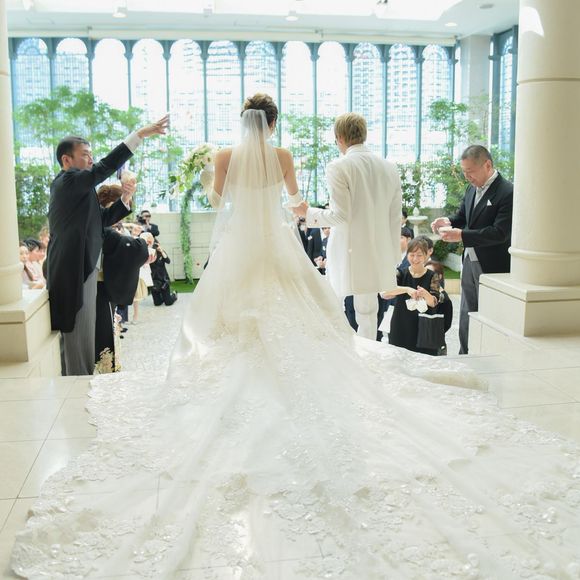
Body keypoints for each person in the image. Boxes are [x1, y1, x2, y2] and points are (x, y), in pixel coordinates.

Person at [13, 97, 580, 579]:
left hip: (238, 247)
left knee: (224, 323)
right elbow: (292, 202)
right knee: (303, 309)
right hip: (278, 243)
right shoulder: (283, 156)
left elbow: (217, 201)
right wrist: (281, 208)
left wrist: (224, 191)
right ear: (275, 125)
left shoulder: (224, 156)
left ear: (243, 122)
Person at [46, 116, 169, 375]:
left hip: (83, 265)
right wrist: (139, 135)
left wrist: (126, 198)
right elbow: (105, 166)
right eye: (85, 155)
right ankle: (77, 384)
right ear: (66, 160)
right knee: (77, 333)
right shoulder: (68, 182)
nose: (91, 160)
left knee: (85, 332)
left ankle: (81, 380)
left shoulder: (78, 189)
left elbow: (102, 220)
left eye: (91, 155)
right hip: (73, 268)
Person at [294, 112, 402, 340]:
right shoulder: (389, 167)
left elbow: (340, 215)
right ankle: (368, 354)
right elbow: (395, 218)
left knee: (333, 304)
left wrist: (308, 213)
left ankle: (339, 353)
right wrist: (392, 256)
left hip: (347, 249)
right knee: (368, 311)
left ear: (340, 137)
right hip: (377, 250)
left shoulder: (339, 166)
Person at [431, 145, 513, 354]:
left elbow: (499, 233)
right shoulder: (472, 188)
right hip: (469, 259)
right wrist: (447, 221)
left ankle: (488, 355)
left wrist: (462, 236)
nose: (467, 177)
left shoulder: (507, 192)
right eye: (464, 172)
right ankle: (465, 353)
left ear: (487, 165)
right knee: (467, 310)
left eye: (470, 172)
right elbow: (463, 216)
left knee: (490, 313)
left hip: (493, 264)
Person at [95, 184, 149, 372]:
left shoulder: (103, 228)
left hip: (100, 286)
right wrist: (144, 243)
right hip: (99, 288)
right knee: (103, 332)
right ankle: (104, 369)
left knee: (108, 329)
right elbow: (132, 250)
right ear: (112, 206)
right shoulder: (105, 230)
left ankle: (107, 366)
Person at [384, 237, 444, 355]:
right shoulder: (401, 273)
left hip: (424, 327)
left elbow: (433, 302)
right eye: (412, 255)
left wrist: (425, 294)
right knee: (399, 356)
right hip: (401, 324)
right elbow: (386, 292)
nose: (415, 259)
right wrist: (407, 289)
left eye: (419, 255)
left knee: (424, 359)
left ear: (426, 255)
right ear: (407, 255)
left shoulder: (433, 276)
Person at [150, 240, 178, 306]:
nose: (155, 246)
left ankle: (174, 294)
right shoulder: (148, 254)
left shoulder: (161, 253)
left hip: (163, 280)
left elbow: (168, 261)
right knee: (157, 303)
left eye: (156, 245)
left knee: (168, 303)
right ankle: (163, 297)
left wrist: (161, 251)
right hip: (154, 281)